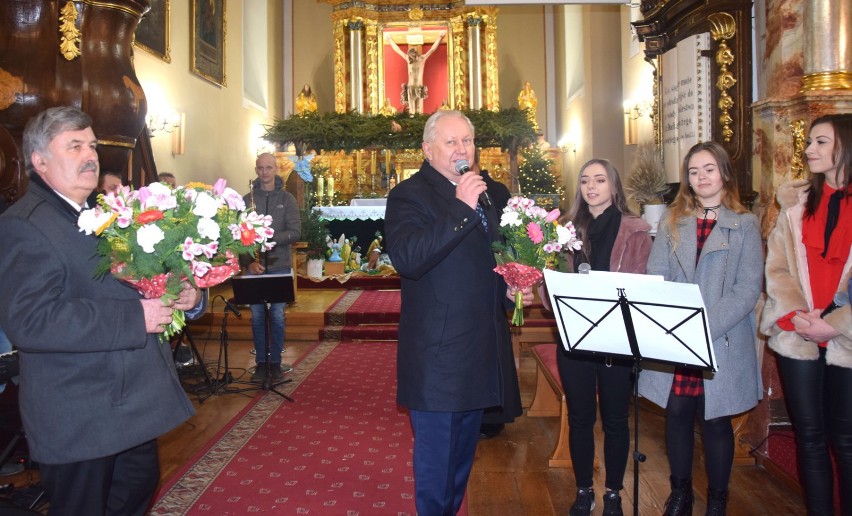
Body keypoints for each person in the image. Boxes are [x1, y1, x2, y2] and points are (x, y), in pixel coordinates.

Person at [0, 106, 204, 515]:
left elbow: (143, 280)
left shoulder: (106, 216)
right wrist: (136, 318)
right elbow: (31, 321)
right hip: (80, 415)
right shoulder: (24, 223)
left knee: (135, 496)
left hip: (128, 407)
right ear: (40, 161)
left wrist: (188, 296)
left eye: (91, 145)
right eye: (74, 146)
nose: (90, 155)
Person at [385, 109, 532, 515]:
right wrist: (462, 209)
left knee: (460, 462)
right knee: (436, 466)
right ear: (427, 149)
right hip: (439, 354)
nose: (462, 149)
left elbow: (496, 256)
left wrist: (514, 282)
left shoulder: (490, 193)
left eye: (467, 141)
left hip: (482, 346)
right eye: (451, 142)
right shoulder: (408, 195)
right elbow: (408, 258)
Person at [638, 141, 763, 515]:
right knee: (677, 412)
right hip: (677, 336)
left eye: (708, 169)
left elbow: (747, 287)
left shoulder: (745, 224)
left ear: (724, 173)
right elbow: (655, 275)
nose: (701, 177)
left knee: (715, 417)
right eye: (693, 172)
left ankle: (718, 500)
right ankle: (681, 493)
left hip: (719, 337)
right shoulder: (673, 222)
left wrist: (703, 324)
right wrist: (677, 322)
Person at [542, 159, 652, 516]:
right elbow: (549, 282)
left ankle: (615, 493)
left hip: (616, 339)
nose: (592, 187)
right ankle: (583, 489)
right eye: (586, 180)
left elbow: (641, 282)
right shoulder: (565, 230)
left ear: (614, 187)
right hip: (575, 336)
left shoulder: (635, 230)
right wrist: (547, 294)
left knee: (617, 419)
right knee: (580, 418)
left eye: (600, 180)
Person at [761, 113, 852, 515]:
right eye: (809, 142)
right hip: (798, 335)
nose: (809, 150)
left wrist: (833, 326)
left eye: (820, 142)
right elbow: (777, 268)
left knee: (848, 440)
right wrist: (798, 317)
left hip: (847, 340)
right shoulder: (795, 207)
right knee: (810, 437)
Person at [471, 148, 519, 439]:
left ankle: (494, 414)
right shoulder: (452, 193)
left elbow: (510, 233)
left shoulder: (496, 191)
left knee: (495, 345)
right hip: (467, 280)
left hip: (494, 276)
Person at [241, 152, 301, 381]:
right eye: (260, 168)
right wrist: (249, 261)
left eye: (269, 167)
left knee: (276, 315)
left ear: (276, 170)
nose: (265, 172)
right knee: (257, 316)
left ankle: (275, 362)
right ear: (256, 170)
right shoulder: (247, 200)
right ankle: (261, 363)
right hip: (254, 267)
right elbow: (238, 236)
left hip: (279, 264)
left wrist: (270, 237)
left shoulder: (287, 200)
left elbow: (296, 232)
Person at [384, 31, 445, 115]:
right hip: (410, 88)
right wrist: (389, 39)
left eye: (412, 55)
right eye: (409, 55)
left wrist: (439, 37)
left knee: (419, 110)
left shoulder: (422, 59)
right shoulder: (408, 60)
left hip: (419, 88)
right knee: (412, 110)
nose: (410, 57)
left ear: (415, 54)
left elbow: (432, 49)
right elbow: (398, 50)